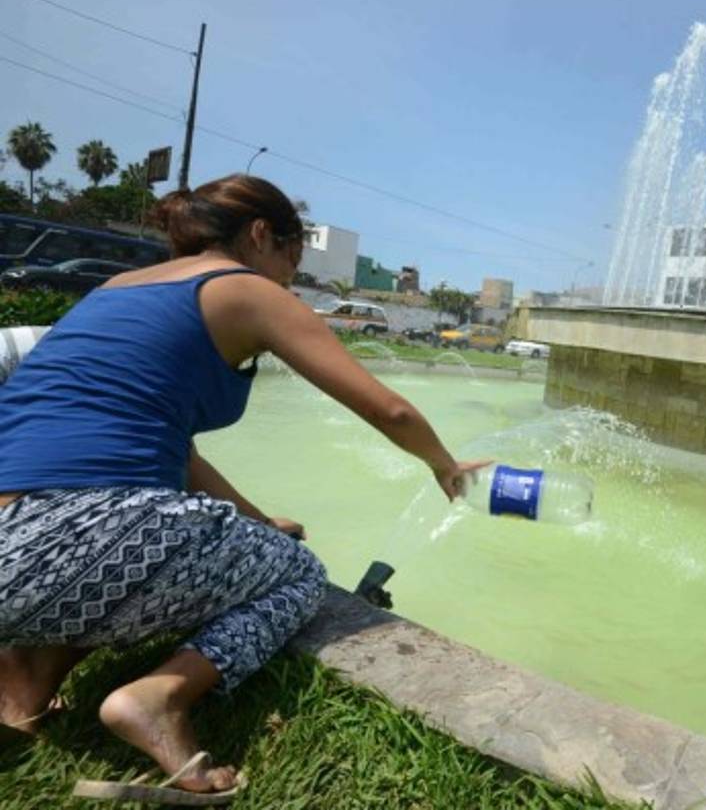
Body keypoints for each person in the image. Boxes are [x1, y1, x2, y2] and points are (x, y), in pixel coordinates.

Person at [0, 175, 485, 799]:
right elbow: (387, 410)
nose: (289, 279)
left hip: (17, 548)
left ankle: (21, 691)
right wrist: (445, 465)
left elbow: (175, 453)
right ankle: (158, 699)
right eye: (291, 258)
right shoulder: (245, 290)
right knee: (301, 574)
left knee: (128, 543)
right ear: (261, 236)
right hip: (73, 538)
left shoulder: (115, 289)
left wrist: (256, 523)